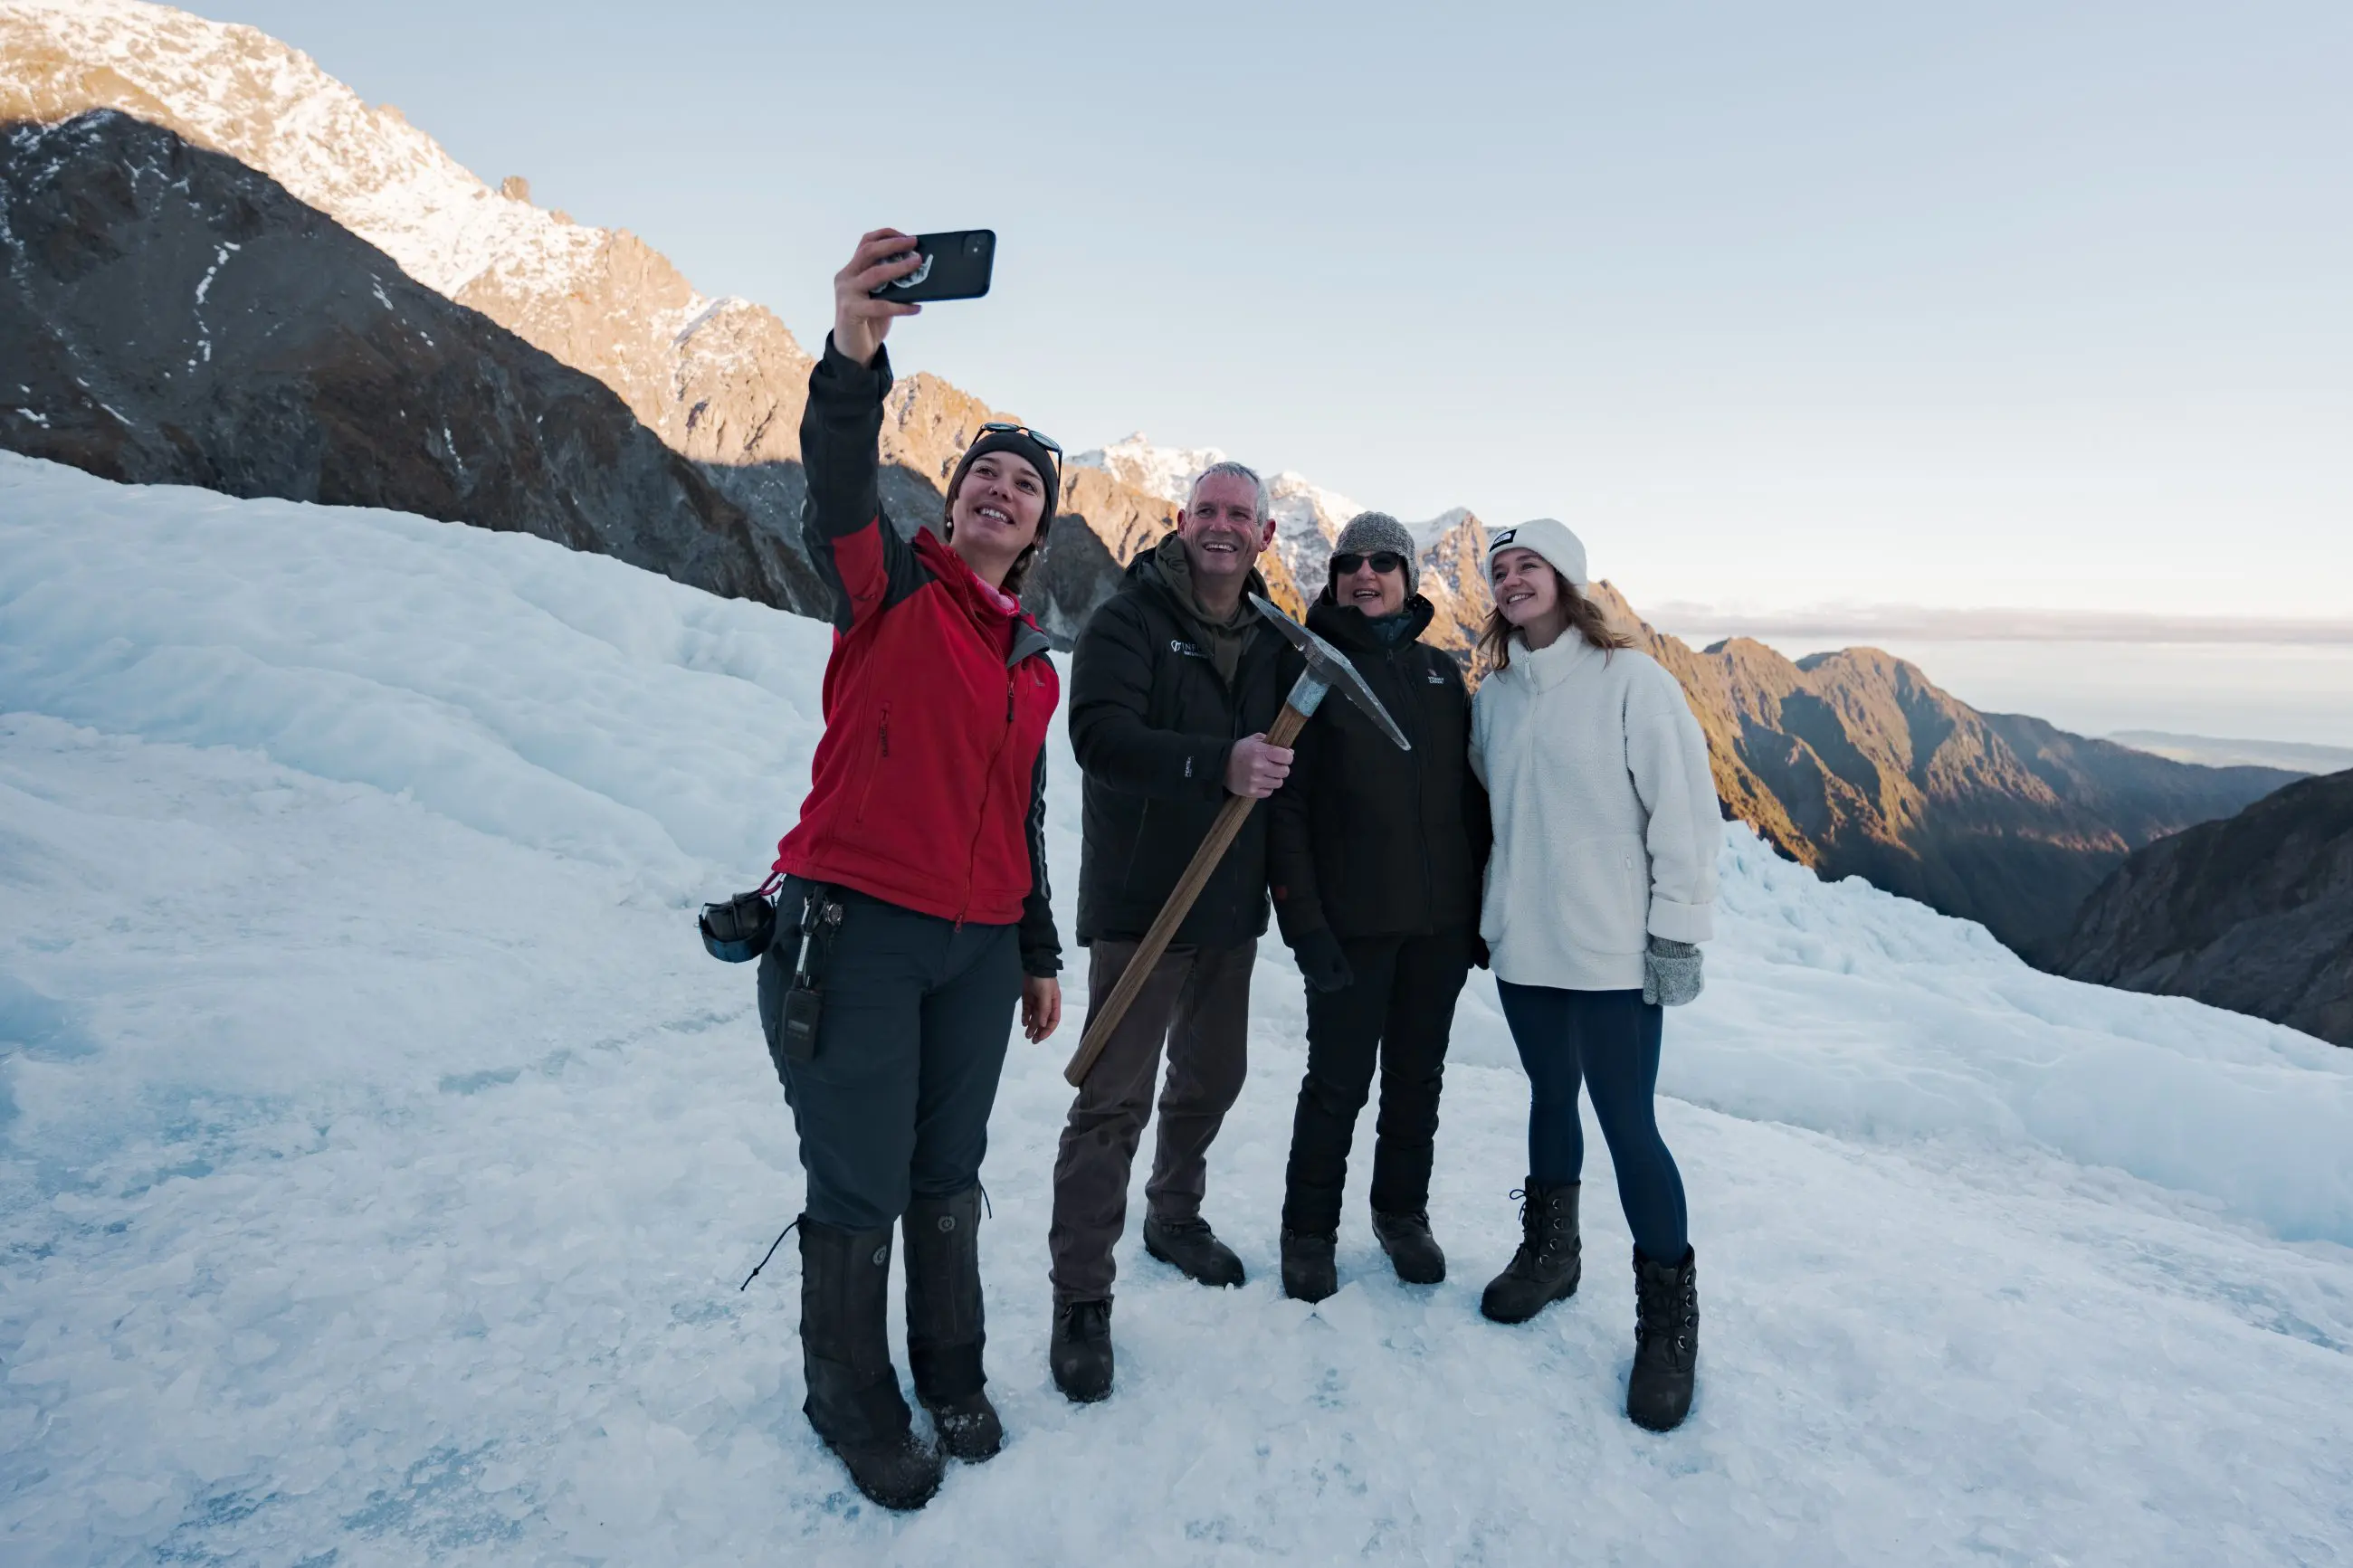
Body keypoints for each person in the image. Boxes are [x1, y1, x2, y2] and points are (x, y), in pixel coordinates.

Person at [757, 229, 1065, 1509]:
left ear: (1043, 526)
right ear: (953, 502)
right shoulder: (888, 586)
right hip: (859, 929)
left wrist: (1036, 950)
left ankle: (950, 1366)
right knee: (862, 1175)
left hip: (979, 946)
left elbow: (1023, 810)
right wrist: (854, 354)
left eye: (1025, 484)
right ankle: (850, 1392)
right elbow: (835, 478)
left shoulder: (1032, 663)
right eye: (983, 474)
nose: (1000, 490)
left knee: (948, 1170)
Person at [1467, 517, 1720, 1434]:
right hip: (1524, 949)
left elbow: (1683, 813)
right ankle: (1551, 1254)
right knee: (1546, 1095)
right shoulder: (1492, 698)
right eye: (1497, 570)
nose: (1510, 579)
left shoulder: (1630, 682)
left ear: (1567, 579)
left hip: (1612, 953)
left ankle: (1666, 1316)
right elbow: (1486, 812)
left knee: (1627, 1124)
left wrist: (1676, 933)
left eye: (1526, 564)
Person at [1045, 459, 1290, 1403]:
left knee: (1212, 1076)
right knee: (1111, 1102)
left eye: (1241, 515)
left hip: (1228, 907)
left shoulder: (1275, 639)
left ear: (1264, 536)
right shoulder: (1126, 621)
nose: (1223, 526)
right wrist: (1213, 763)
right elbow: (1099, 741)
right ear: (1179, 520)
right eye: (1208, 511)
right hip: (1143, 902)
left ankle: (1172, 1212)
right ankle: (1080, 1299)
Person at [1265, 512, 1489, 1301]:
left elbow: (1470, 803)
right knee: (1337, 1083)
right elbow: (1285, 812)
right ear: (1332, 579)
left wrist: (1477, 917)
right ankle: (1308, 1231)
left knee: (1417, 1080)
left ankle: (1402, 1213)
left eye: (1382, 561)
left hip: (1437, 929)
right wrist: (1305, 926)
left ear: (1408, 578)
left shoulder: (1440, 677)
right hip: (1351, 929)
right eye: (1349, 562)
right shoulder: (1311, 673)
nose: (1365, 574)